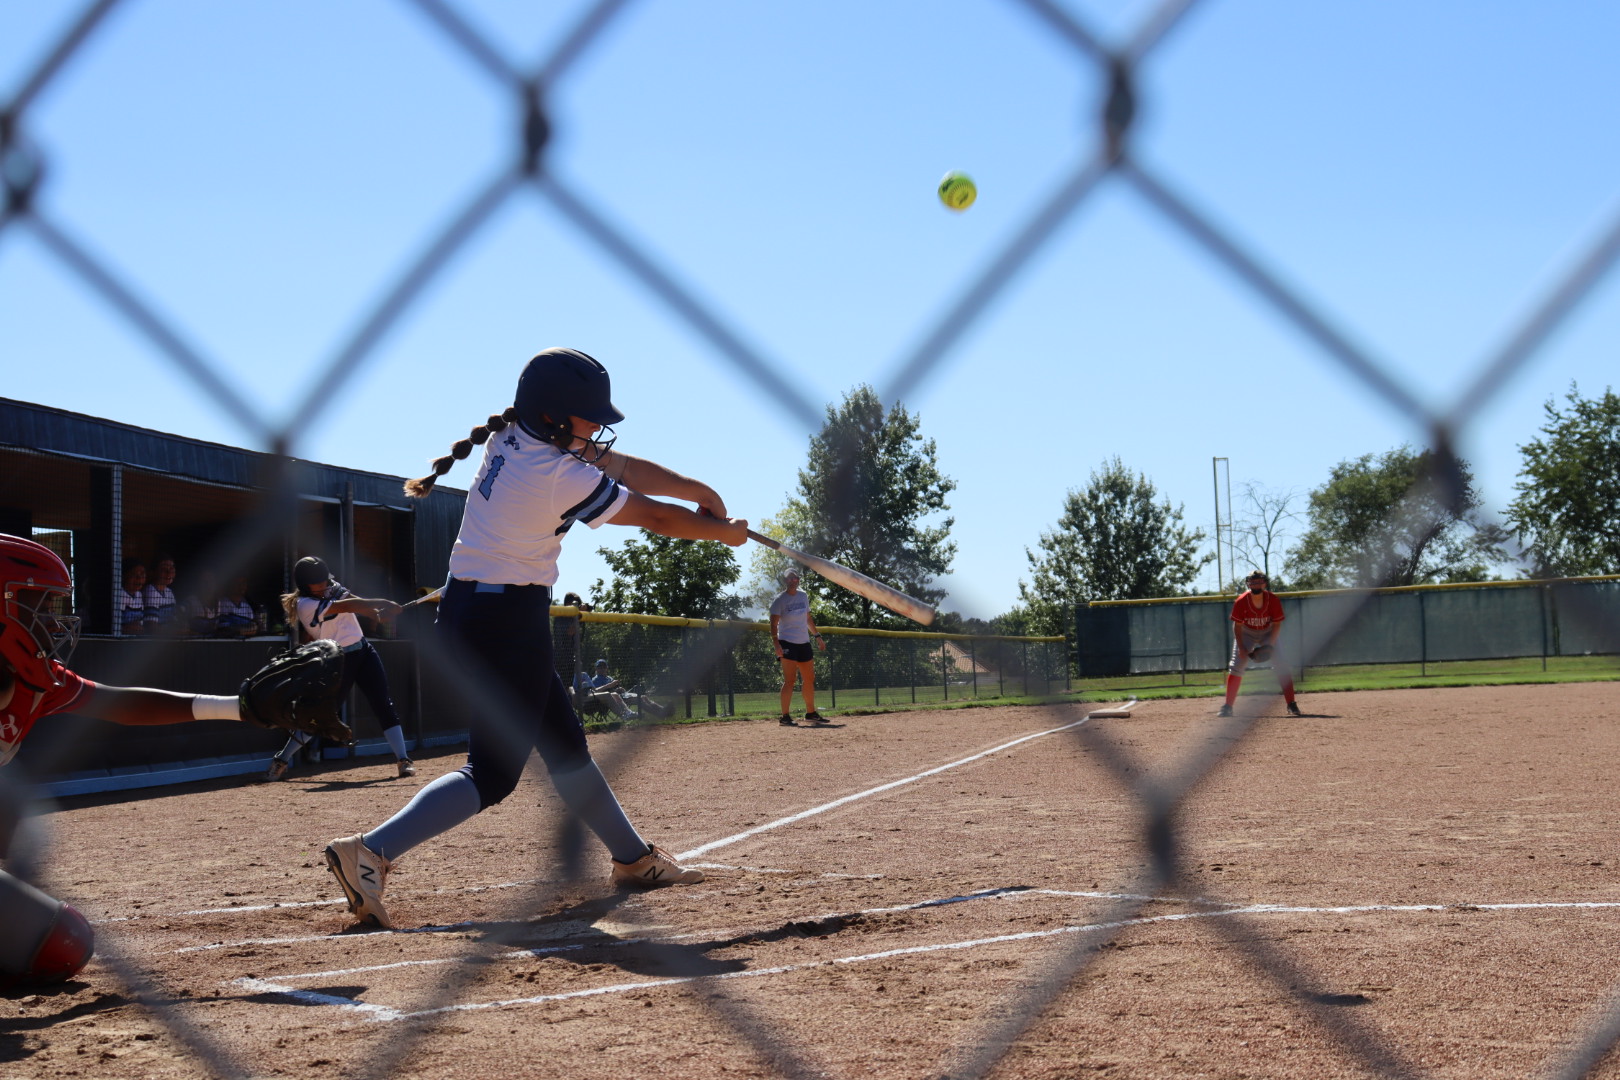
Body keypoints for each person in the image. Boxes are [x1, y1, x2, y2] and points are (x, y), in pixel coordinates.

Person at [321, 346, 746, 929]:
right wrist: (718, 534)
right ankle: (369, 852)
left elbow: (626, 471)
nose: (598, 429)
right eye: (588, 417)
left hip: (495, 615)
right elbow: (654, 517)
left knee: (565, 746)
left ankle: (634, 860)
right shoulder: (551, 472)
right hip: (500, 622)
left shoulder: (520, 439)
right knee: (492, 773)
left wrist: (701, 493)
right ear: (552, 416)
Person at [0, 533, 251, 984]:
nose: (51, 622)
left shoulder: (37, 680)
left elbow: (122, 703)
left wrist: (238, 708)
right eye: (36, 604)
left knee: (62, 942)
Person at [263, 556, 415, 781]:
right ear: (305, 585)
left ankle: (403, 760)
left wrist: (376, 614)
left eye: (325, 580)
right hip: (337, 661)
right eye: (318, 582)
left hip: (363, 651)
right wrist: (381, 602)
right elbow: (346, 606)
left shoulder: (329, 588)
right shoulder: (305, 605)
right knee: (321, 716)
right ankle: (282, 759)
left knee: (383, 702)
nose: (324, 584)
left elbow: (353, 599)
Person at [1219, 570, 1303, 718]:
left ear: (1265, 583)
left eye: (1259, 581)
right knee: (1237, 665)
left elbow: (1276, 624)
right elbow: (1237, 626)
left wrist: (1269, 645)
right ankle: (1228, 707)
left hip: (1267, 632)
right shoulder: (1241, 601)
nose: (1256, 584)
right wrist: (1242, 648)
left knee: (1281, 665)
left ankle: (1291, 704)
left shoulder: (1273, 600)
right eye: (1253, 581)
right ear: (1248, 583)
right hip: (1246, 633)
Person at [770, 568, 827, 726]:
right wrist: (777, 645)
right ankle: (785, 716)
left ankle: (810, 713)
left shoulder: (803, 596)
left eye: (795, 578)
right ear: (785, 581)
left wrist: (817, 636)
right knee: (790, 680)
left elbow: (808, 618)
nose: (793, 580)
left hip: (804, 642)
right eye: (789, 578)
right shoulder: (779, 599)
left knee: (809, 679)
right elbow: (773, 624)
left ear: (798, 580)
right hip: (787, 642)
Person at [141, 555, 180, 634]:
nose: (169, 573)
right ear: (153, 572)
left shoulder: (169, 592)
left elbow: (175, 622)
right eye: (164, 569)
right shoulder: (150, 591)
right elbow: (151, 628)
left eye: (171, 568)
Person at [117, 558, 147, 636]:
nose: (139, 579)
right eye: (134, 575)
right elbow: (116, 626)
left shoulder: (139, 595)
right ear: (124, 576)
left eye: (142, 575)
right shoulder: (119, 594)